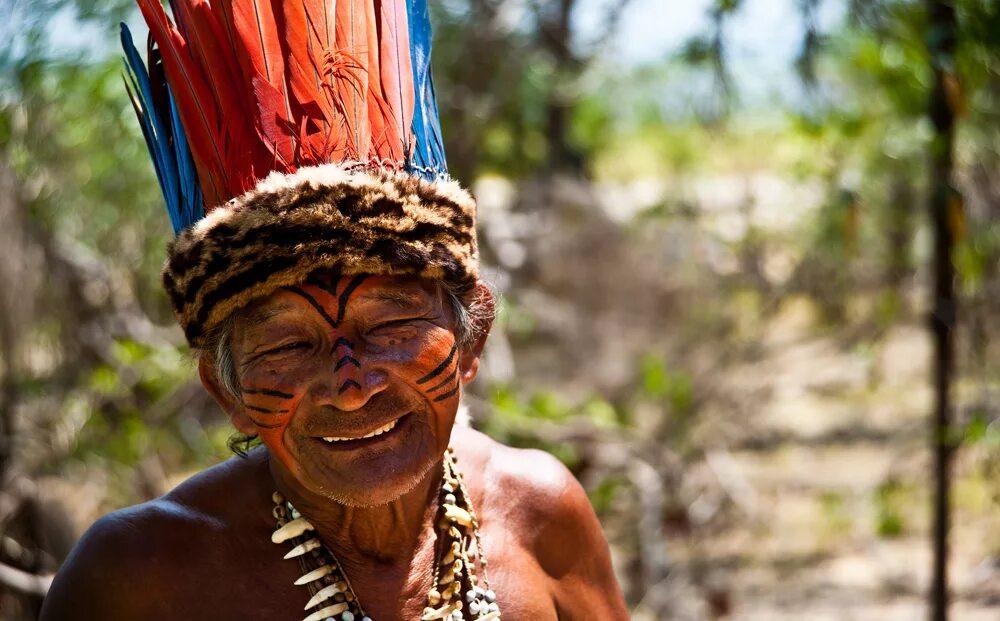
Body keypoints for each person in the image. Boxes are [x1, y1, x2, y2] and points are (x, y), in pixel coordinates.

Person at [38, 0, 629, 620]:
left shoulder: (538, 517)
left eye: (389, 325)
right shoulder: (135, 580)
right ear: (226, 391)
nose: (350, 389)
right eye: (288, 346)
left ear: (471, 334)